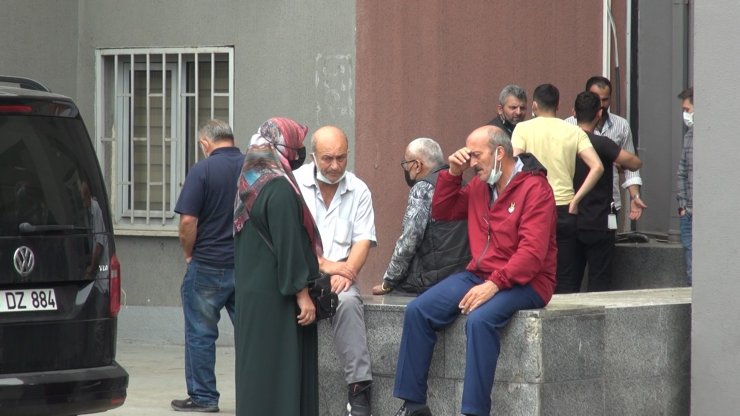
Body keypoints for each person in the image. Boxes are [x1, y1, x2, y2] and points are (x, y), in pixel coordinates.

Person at [392, 125, 557, 416]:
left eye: (476, 155)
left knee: (479, 321)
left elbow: (531, 256)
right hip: (481, 274)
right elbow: (444, 212)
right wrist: (452, 174)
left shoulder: (536, 189)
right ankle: (414, 406)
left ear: (500, 153)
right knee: (417, 311)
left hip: (528, 282)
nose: (471, 162)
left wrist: (494, 284)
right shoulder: (482, 185)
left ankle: (474, 411)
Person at [232, 117, 321, 416]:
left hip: (252, 292)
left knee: (258, 368)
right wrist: (302, 294)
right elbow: (288, 244)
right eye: (297, 147)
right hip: (277, 297)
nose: (299, 154)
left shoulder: (250, 180)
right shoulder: (279, 188)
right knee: (281, 369)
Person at [293, 125, 377, 416]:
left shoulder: (359, 189)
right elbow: (291, 239)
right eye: (327, 158)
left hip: (341, 276)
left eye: (341, 158)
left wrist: (348, 271)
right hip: (299, 271)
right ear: (313, 156)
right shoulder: (294, 183)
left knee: (350, 301)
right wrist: (325, 266)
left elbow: (363, 239)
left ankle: (360, 389)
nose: (335, 165)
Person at [172, 120, 244, 412]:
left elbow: (188, 221)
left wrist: (189, 253)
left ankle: (203, 398)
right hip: (245, 267)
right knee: (251, 334)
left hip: (208, 265)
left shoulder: (201, 170)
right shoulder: (251, 168)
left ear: (205, 144)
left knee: (201, 334)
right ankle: (257, 395)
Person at [511, 83, 604, 294]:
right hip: (565, 207)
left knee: (532, 263)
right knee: (565, 274)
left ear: (534, 105)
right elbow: (597, 167)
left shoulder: (523, 129)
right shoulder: (573, 131)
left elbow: (515, 165)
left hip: (533, 207)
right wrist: (576, 199)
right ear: (558, 105)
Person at [371, 137, 470, 296]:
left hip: (430, 281)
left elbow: (409, 239)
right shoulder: (461, 183)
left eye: (406, 164)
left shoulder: (423, 188)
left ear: (417, 165)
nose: (406, 169)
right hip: (461, 276)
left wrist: (389, 281)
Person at [572, 91, 642, 291]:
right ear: (599, 114)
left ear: (573, 113)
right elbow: (636, 162)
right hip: (598, 221)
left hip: (569, 217)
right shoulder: (601, 143)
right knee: (599, 280)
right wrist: (615, 161)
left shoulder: (564, 140)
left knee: (568, 281)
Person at [566, 76, 648, 222]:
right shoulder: (567, 126)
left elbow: (632, 166)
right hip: (574, 202)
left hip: (608, 203)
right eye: (597, 100)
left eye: (605, 100)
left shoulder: (621, 125)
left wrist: (634, 196)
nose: (602, 105)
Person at [676, 87, 694, 286]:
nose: (685, 114)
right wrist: (682, 207)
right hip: (688, 211)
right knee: (690, 266)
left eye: (687, 109)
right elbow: (682, 170)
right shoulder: (689, 135)